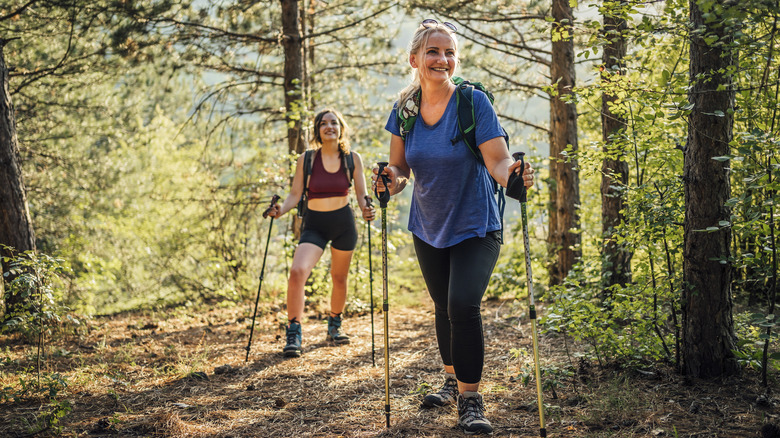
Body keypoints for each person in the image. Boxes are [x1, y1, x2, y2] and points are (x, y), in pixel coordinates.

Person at [373, 19, 535, 435]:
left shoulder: (472, 102)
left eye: (448, 52)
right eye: (432, 52)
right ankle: (450, 378)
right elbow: (401, 166)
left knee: (463, 304)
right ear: (414, 59)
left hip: (476, 224)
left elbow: (497, 161)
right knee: (443, 306)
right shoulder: (405, 109)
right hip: (428, 224)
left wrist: (512, 177)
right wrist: (391, 179)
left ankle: (471, 399)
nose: (441, 59)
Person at [267, 108, 375, 358]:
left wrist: (367, 209)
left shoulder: (352, 159)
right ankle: (293, 331)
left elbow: (361, 195)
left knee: (339, 278)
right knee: (297, 272)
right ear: (317, 130)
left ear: (341, 128)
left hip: (343, 224)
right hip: (315, 224)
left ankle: (335, 326)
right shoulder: (306, 159)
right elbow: (295, 194)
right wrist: (279, 210)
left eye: (334, 123)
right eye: (323, 123)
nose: (329, 127)